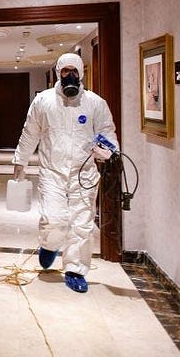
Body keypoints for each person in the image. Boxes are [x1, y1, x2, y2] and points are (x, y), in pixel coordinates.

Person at [12, 52, 118, 293]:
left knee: (82, 224)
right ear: (58, 73)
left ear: (81, 73)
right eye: (65, 71)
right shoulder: (44, 101)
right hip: (52, 172)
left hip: (85, 173)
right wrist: (21, 163)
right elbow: (30, 133)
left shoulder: (95, 103)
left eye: (74, 71)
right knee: (55, 218)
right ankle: (49, 245)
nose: (69, 75)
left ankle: (75, 270)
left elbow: (108, 133)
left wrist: (109, 151)